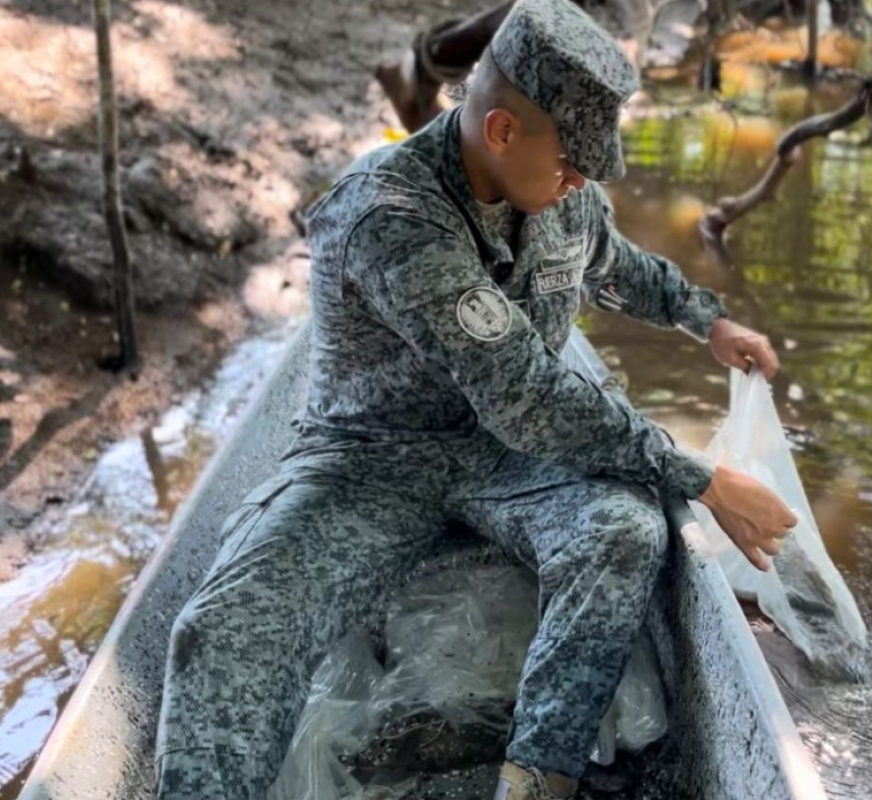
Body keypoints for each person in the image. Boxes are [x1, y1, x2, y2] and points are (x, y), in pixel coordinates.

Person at [152, 0, 797, 798]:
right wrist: (700, 476)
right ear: (500, 132)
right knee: (222, 628)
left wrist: (708, 318)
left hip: (506, 456)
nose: (578, 187)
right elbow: (525, 391)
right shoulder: (390, 214)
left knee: (626, 529)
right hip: (373, 458)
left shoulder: (564, 194)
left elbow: (615, 263)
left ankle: (537, 775)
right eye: (569, 166)